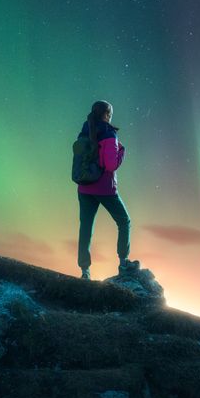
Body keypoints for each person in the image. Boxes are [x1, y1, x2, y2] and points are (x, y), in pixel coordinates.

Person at [76, 100, 139, 279]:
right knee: (124, 221)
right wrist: (122, 152)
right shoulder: (109, 133)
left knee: (86, 227)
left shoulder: (84, 130)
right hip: (104, 188)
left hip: (84, 187)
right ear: (107, 114)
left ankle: (84, 271)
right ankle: (123, 263)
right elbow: (110, 165)